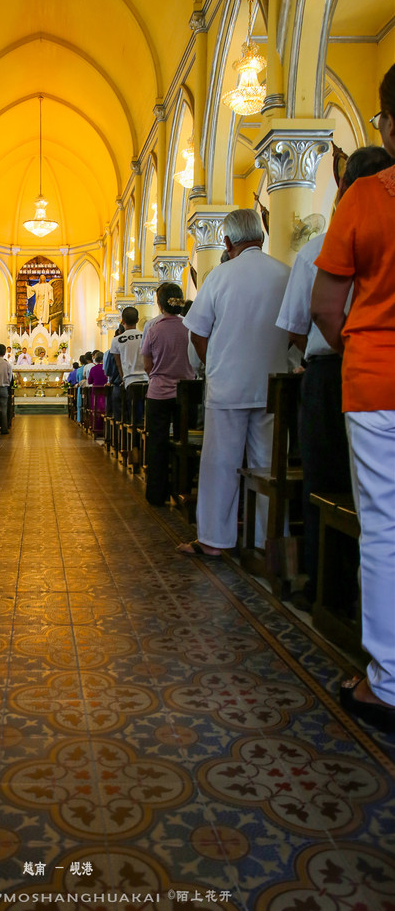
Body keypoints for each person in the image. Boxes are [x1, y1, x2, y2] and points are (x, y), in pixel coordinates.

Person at [311, 64, 395, 733]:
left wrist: (358, 349)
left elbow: (324, 303)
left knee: (386, 525)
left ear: (389, 122)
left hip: (376, 379)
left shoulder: (365, 195)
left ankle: (388, 682)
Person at [276, 145, 393, 611]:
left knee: (324, 479)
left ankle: (328, 591)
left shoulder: (315, 249)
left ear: (345, 186)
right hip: (355, 369)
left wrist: (345, 350)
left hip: (339, 372)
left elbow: (301, 323)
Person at [178, 208, 289, 558]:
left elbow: (197, 331)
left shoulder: (220, 276)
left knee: (220, 463)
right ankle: (266, 541)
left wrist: (215, 363)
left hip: (228, 385)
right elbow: (297, 328)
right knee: (267, 466)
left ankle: (214, 540)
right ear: (262, 235)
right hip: (274, 384)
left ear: (226, 241)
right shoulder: (284, 274)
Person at [141, 282, 195, 507]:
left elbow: (146, 364)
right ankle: (184, 489)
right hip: (186, 393)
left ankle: (157, 494)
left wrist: (159, 373)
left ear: (160, 304)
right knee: (186, 441)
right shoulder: (190, 328)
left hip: (159, 394)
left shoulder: (154, 330)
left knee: (157, 443)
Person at [110, 309, 148, 388]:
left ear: (122, 321)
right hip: (146, 377)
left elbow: (118, 364)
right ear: (137, 320)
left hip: (129, 379)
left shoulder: (116, 340)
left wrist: (122, 379)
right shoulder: (146, 336)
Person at [0, 343, 13, 434]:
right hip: (4, 388)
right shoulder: (7, 364)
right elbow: (10, 377)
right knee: (4, 409)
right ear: (5, 353)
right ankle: (4, 429)